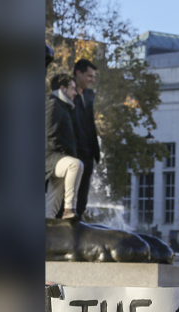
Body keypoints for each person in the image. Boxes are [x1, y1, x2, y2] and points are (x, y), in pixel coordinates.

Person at [46, 73, 83, 219]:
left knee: (49, 212)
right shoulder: (53, 104)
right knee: (75, 165)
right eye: (72, 89)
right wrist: (64, 154)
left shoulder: (61, 106)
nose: (75, 92)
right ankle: (69, 210)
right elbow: (48, 134)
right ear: (62, 88)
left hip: (56, 158)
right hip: (51, 158)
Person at [72, 59, 101, 216]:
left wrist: (95, 152)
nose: (92, 79)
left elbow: (90, 125)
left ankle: (79, 225)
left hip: (88, 154)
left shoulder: (89, 95)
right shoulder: (67, 94)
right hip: (74, 154)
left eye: (93, 76)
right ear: (78, 73)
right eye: (89, 76)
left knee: (82, 198)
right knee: (68, 197)